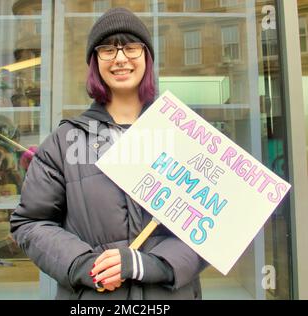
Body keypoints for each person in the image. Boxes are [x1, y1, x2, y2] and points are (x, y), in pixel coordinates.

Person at [10, 7, 207, 300]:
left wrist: (149, 265)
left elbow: (212, 223)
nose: (120, 58)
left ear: (147, 56)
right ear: (95, 62)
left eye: (130, 47)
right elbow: (30, 223)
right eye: (107, 49)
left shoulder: (182, 136)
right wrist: (84, 265)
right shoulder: (64, 142)